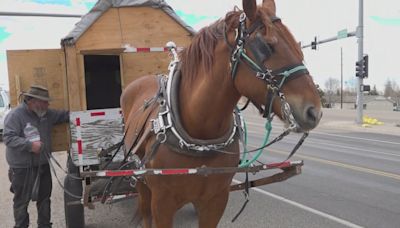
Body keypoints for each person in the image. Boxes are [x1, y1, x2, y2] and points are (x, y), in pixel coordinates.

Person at [3, 85, 69, 228]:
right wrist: (29, 146)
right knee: (21, 201)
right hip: (22, 167)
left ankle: (45, 226)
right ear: (33, 101)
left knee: (45, 199)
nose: (48, 104)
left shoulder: (46, 113)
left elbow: (64, 115)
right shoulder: (15, 115)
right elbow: (8, 138)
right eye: (45, 101)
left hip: (42, 164)